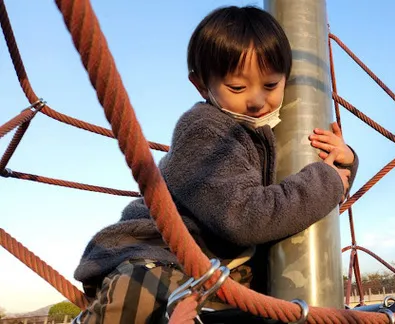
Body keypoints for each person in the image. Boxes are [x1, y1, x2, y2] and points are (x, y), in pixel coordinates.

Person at [72, 5, 359, 323]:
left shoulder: (265, 130)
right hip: (159, 255)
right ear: (201, 85)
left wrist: (341, 165)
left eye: (271, 85)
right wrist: (327, 180)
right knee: (139, 299)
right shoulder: (204, 130)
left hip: (218, 270)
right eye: (237, 87)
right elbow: (244, 217)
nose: (257, 100)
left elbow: (304, 196)